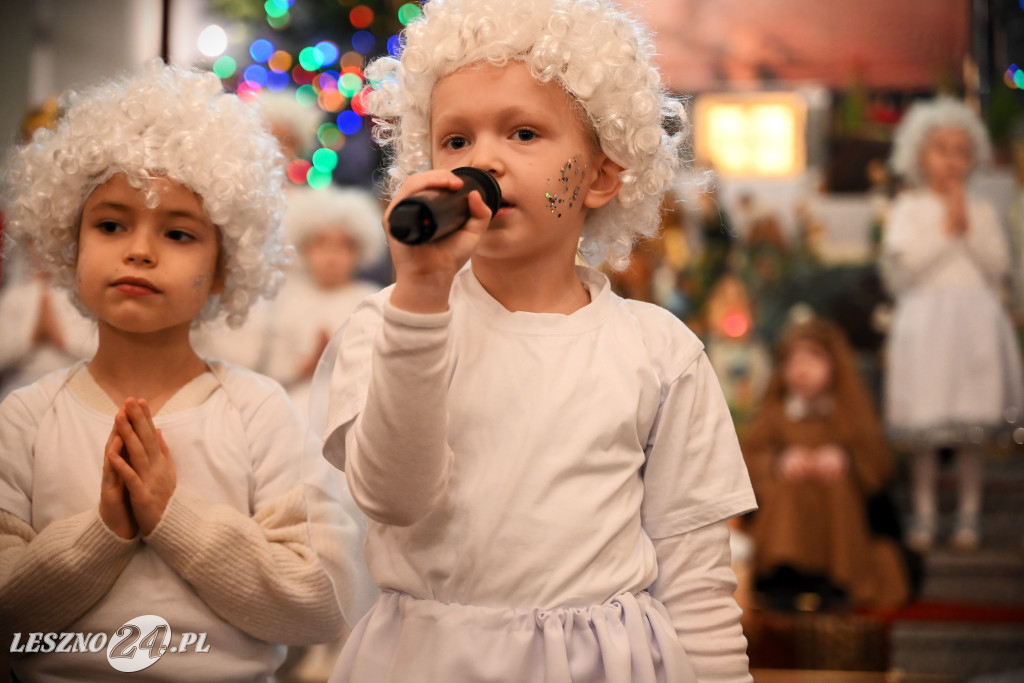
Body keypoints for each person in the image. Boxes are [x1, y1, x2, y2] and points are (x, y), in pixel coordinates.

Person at [321, 1, 758, 681]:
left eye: (523, 133)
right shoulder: (387, 323)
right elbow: (392, 496)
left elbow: (698, 581)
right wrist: (422, 301)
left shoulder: (659, 351)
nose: (484, 161)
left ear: (603, 175)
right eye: (456, 141)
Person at [0, 61, 369, 681]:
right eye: (111, 224)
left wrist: (176, 518)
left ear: (225, 266)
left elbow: (323, 600)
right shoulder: (24, 418)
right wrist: (104, 534)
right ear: (70, 241)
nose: (139, 249)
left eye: (177, 233)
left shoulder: (259, 411)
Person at [882, 96, 1024, 553]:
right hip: (926, 324)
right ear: (919, 154)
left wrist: (966, 223)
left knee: (970, 429)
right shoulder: (908, 207)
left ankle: (969, 513)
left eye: (962, 151)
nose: (952, 160)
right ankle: (924, 514)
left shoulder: (982, 210)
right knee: (925, 427)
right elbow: (908, 271)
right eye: (942, 149)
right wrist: (948, 230)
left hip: (974, 322)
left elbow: (998, 264)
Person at [741, 316, 909, 610]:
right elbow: (748, 457)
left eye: (813, 357)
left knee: (837, 485)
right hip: (782, 515)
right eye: (792, 360)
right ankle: (784, 573)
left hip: (843, 523)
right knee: (788, 488)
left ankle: (837, 578)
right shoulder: (775, 412)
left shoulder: (848, 411)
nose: (801, 369)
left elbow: (878, 464)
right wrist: (779, 460)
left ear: (834, 364)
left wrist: (844, 456)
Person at [265, 186, 385, 419]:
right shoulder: (287, 300)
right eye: (321, 243)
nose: (332, 256)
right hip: (297, 409)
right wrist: (308, 365)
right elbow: (271, 370)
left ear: (358, 251)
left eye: (343, 245)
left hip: (357, 409)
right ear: (304, 248)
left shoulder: (371, 299)